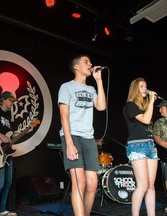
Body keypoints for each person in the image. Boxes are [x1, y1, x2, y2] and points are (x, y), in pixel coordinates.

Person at [58, 54, 107, 216]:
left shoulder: (91, 89)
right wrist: (69, 143)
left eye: (90, 62)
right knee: (79, 181)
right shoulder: (66, 87)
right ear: (76, 67)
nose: (90, 64)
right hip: (72, 136)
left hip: (89, 138)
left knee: (92, 183)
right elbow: (64, 116)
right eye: (86, 62)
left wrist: (99, 80)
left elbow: (101, 107)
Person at [122, 77, 159, 216]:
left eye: (146, 86)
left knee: (151, 185)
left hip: (150, 145)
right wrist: (151, 101)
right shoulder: (130, 105)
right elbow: (146, 119)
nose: (145, 89)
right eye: (142, 86)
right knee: (142, 185)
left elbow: (149, 126)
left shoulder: (144, 107)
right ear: (135, 89)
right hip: (137, 146)